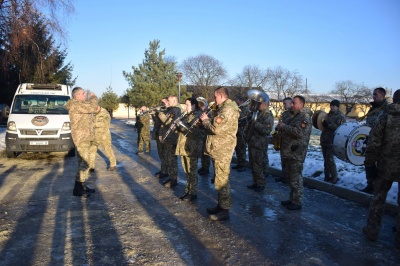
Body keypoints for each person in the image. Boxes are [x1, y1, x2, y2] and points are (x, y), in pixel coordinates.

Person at [362, 89, 400, 249]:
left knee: (378, 199)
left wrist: (370, 164)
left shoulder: (386, 116)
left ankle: (372, 231)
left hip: (385, 166)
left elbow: (374, 142)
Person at [201, 86, 239, 221]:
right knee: (218, 178)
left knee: (222, 180)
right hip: (219, 148)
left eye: (215, 96)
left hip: (223, 150)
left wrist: (205, 120)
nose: (213, 99)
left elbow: (215, 129)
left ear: (222, 95)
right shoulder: (223, 108)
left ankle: (225, 210)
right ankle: (221, 205)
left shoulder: (227, 109)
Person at [277, 95, 312, 210]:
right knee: (291, 177)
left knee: (296, 177)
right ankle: (292, 199)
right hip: (290, 151)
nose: (292, 105)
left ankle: (297, 202)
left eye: (294, 103)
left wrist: (285, 127)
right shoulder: (294, 115)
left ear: (301, 104)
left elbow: (299, 132)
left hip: (297, 152)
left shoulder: (304, 117)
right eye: (291, 103)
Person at [65, 87, 99, 198]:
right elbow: (92, 107)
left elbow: (91, 109)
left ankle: (82, 185)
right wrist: (94, 97)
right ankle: (77, 188)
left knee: (82, 163)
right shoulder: (75, 104)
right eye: (83, 93)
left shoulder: (80, 104)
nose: (85, 95)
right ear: (77, 95)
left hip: (85, 137)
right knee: (85, 163)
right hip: (81, 138)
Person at [176, 98, 204, 202]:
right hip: (184, 147)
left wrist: (181, 126)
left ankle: (193, 193)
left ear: (193, 105)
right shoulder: (187, 114)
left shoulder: (198, 115)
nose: (185, 107)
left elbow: (195, 131)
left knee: (192, 171)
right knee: (186, 170)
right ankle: (187, 190)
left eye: (187, 105)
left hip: (192, 147)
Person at [360, 87, 388, 194]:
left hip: (380, 143)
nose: (373, 96)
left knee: (378, 166)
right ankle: (370, 184)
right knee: (369, 163)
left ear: (382, 95)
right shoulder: (372, 109)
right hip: (370, 140)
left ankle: (378, 187)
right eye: (373, 94)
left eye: (376, 94)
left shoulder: (386, 109)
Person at [246, 98, 274, 192]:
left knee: (258, 164)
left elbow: (266, 130)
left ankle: (261, 183)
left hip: (260, 143)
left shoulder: (268, 115)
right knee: (253, 164)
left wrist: (254, 122)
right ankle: (255, 182)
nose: (258, 105)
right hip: (253, 142)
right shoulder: (258, 113)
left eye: (260, 103)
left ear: (265, 104)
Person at [157, 95, 182, 187]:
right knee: (168, 158)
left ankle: (173, 179)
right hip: (167, 138)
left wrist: (160, 114)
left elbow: (170, 123)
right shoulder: (171, 109)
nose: (167, 102)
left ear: (174, 101)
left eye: (169, 101)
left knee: (172, 160)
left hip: (172, 138)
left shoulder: (177, 110)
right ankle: (171, 176)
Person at [320, 100, 346, 184]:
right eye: (331, 105)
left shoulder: (340, 116)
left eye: (334, 106)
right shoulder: (327, 115)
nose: (332, 107)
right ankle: (327, 176)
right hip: (324, 139)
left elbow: (341, 128)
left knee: (330, 159)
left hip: (333, 140)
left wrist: (329, 125)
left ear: (337, 107)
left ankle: (334, 177)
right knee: (325, 159)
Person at [88, 106, 117, 172]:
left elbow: (106, 124)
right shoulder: (93, 113)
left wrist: (93, 124)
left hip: (104, 136)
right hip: (95, 136)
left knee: (108, 150)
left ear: (98, 107)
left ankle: (113, 164)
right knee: (92, 151)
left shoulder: (105, 113)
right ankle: (91, 167)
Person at [275, 97, 293, 183]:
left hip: (289, 141)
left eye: (285, 103)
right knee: (283, 159)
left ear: (291, 103)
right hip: (283, 139)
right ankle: (284, 176)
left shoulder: (294, 114)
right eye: (284, 103)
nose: (284, 105)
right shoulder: (285, 113)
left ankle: (289, 177)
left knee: (288, 160)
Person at [232, 96, 250, 172]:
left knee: (242, 148)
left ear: (240, 100)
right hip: (237, 131)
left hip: (242, 132)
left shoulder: (245, 109)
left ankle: (243, 164)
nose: (236, 103)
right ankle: (239, 163)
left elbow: (241, 118)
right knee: (238, 148)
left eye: (237, 101)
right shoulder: (239, 108)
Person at [153, 98, 169, 178]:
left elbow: (165, 121)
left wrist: (159, 113)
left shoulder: (168, 111)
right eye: (161, 102)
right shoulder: (161, 111)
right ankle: (163, 169)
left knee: (165, 155)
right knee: (160, 154)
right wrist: (154, 114)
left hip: (164, 135)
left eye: (164, 102)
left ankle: (165, 171)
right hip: (158, 134)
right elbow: (156, 122)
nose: (162, 103)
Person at [196, 97, 211, 176]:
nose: (200, 106)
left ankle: (206, 168)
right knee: (202, 152)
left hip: (206, 134)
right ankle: (203, 166)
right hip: (201, 135)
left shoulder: (209, 112)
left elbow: (210, 123)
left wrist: (201, 124)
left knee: (206, 153)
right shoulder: (199, 112)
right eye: (199, 104)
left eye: (201, 104)